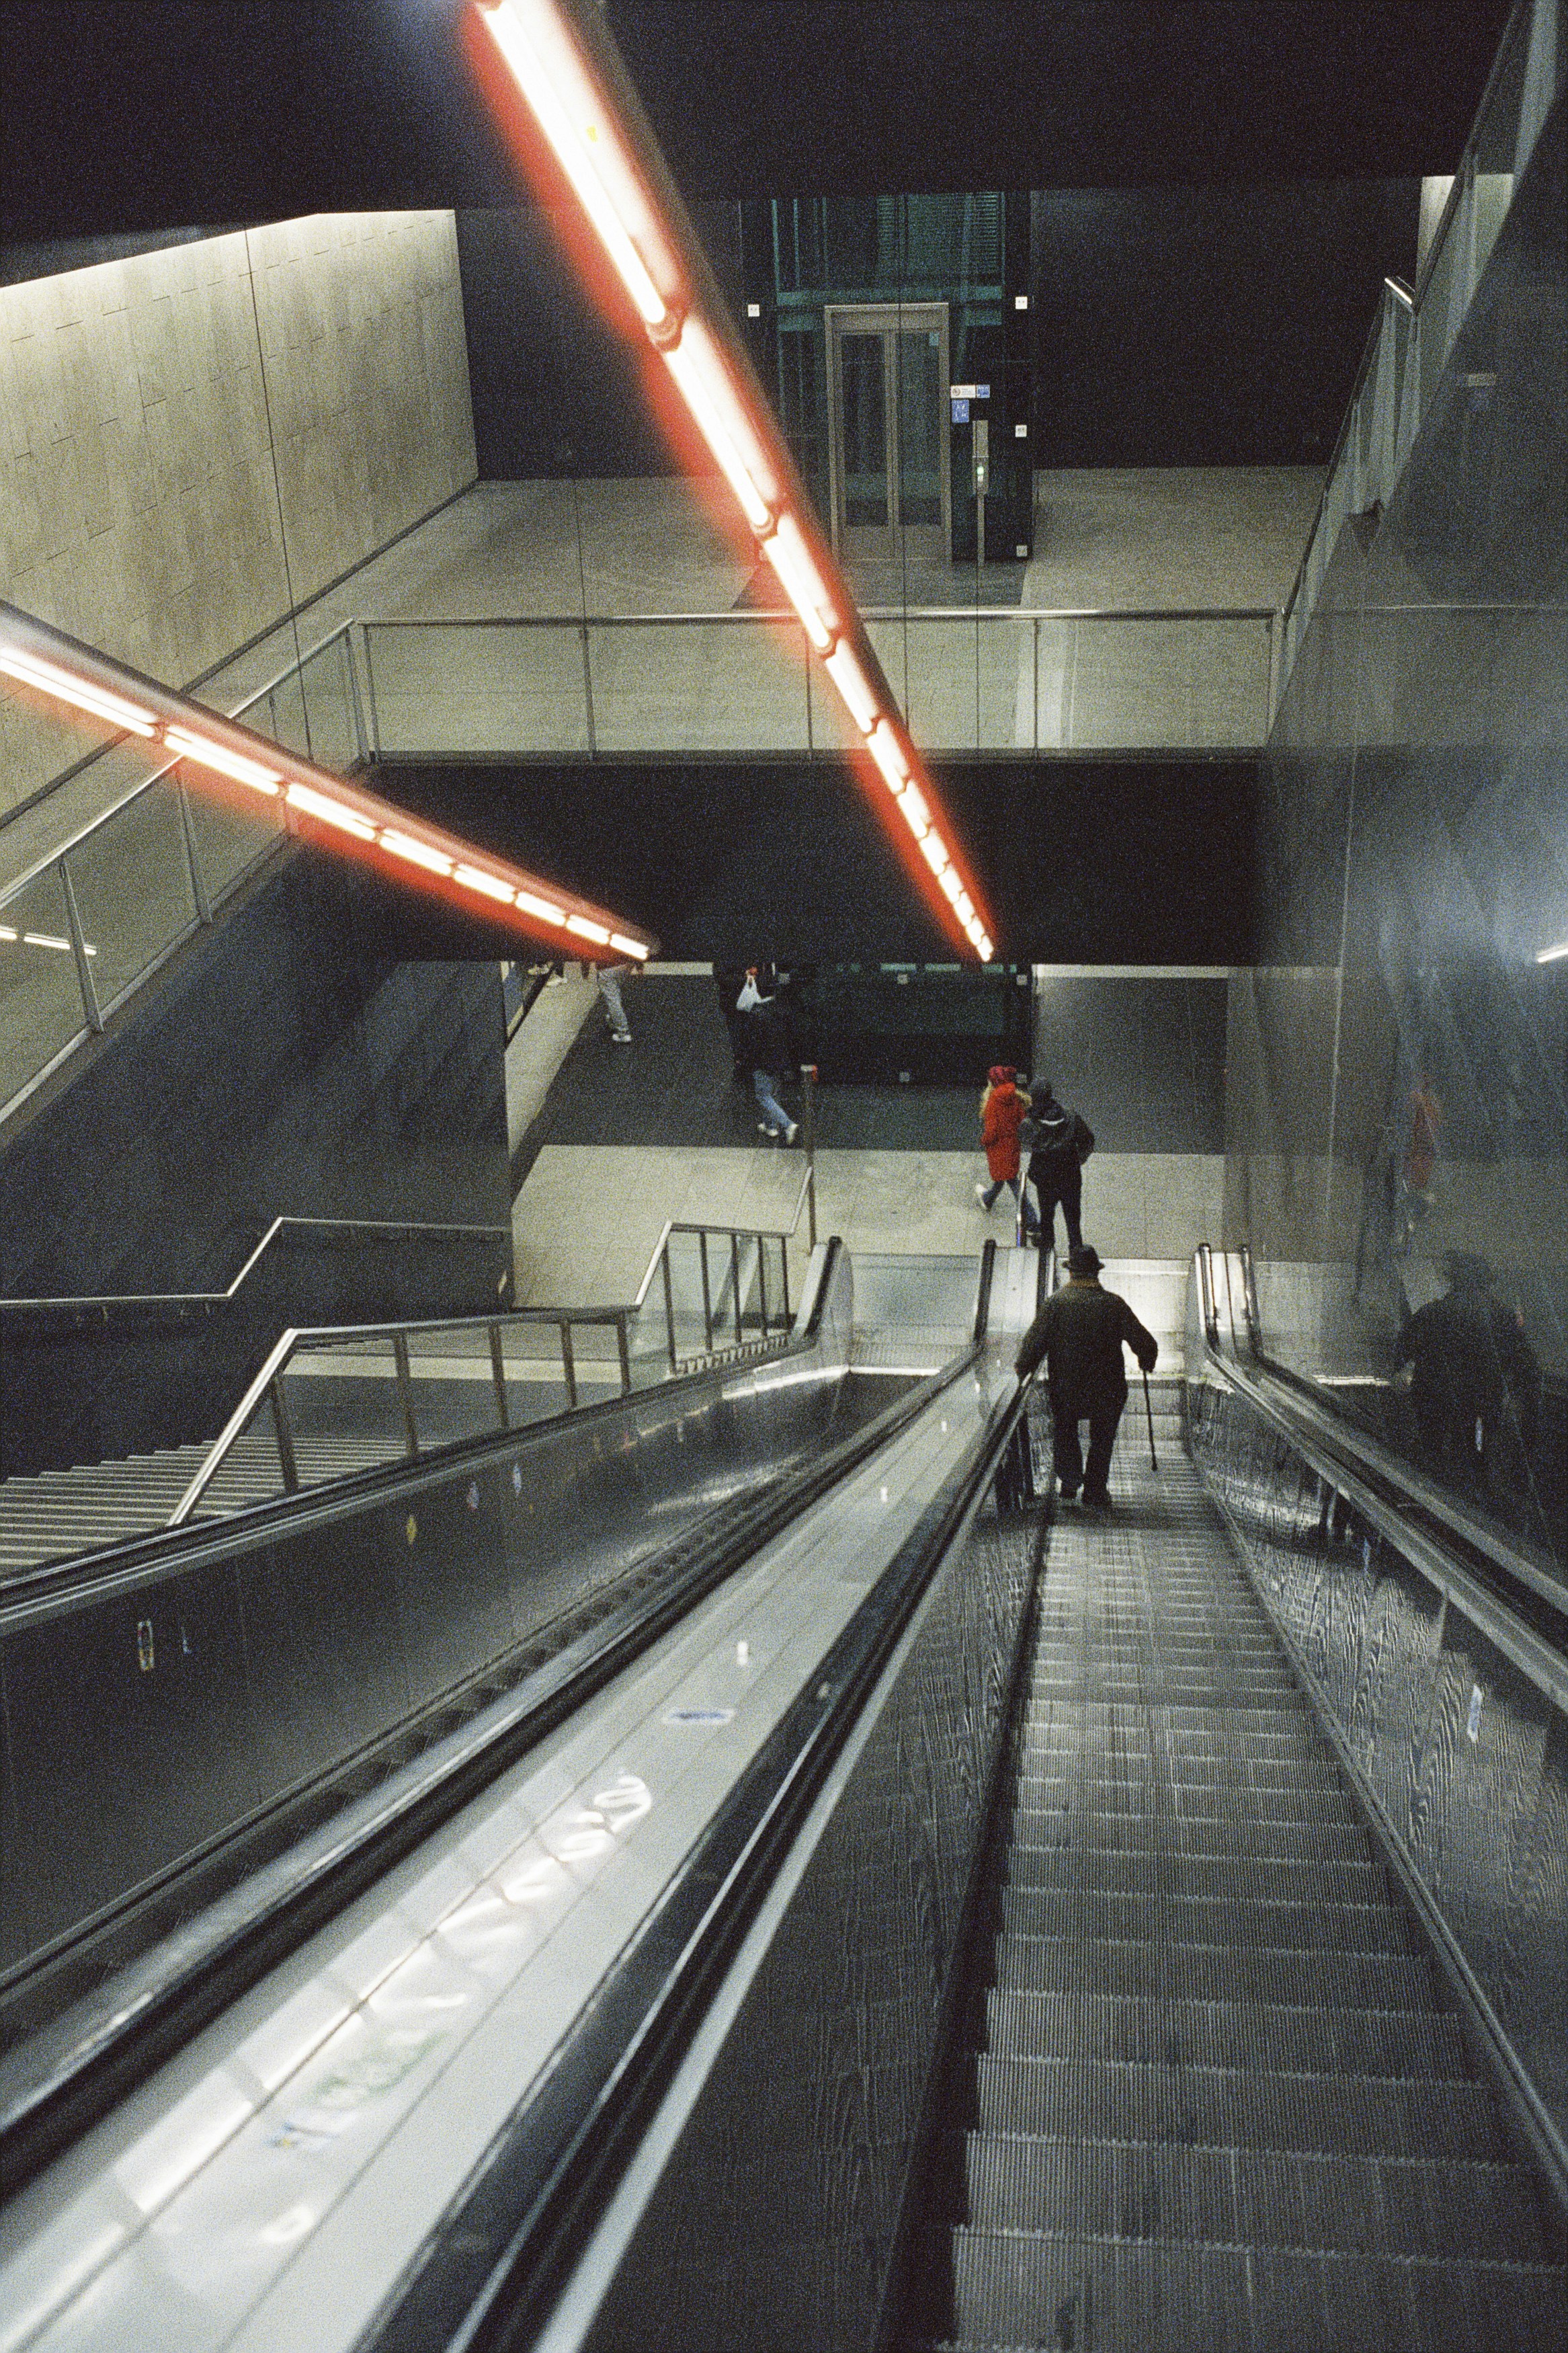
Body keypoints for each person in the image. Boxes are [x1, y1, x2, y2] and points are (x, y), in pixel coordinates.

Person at [1015, 1243, 1158, 1510]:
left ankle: (1069, 1481)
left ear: (1071, 1273)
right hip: (1108, 1388)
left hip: (1067, 1387)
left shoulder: (1056, 1304)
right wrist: (1146, 1360)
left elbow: (1033, 1345)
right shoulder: (1114, 1304)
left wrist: (1023, 1369)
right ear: (1096, 1273)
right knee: (1102, 1438)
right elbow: (1145, 1342)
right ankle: (1095, 1490)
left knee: (1066, 1429)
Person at [1395, 1252, 1540, 1499]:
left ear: (1454, 1281)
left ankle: (1435, 1499)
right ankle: (1478, 1496)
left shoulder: (1433, 1313)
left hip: (1435, 1402)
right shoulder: (1502, 1318)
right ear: (1485, 1283)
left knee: (1436, 1459)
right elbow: (1524, 1366)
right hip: (1481, 1405)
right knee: (1475, 1458)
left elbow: (1401, 1352)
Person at [1025, 1080, 1093, 1254]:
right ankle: (1077, 1254)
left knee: (1047, 1219)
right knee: (1073, 1221)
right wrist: (1078, 1160)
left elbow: (1023, 1138)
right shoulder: (1071, 1118)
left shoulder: (1030, 1124)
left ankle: (1047, 1256)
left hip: (1046, 1181)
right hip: (1070, 1178)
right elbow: (1088, 1140)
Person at [738, 969, 798, 1143]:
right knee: (769, 1093)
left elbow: (752, 1042)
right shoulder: (779, 1009)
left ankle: (787, 1124)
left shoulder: (756, 1014)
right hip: (778, 1059)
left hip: (762, 1062)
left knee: (763, 1096)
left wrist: (745, 1059)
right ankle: (770, 1126)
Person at [975, 1066, 1037, 1230]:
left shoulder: (994, 1102)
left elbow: (992, 1131)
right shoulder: (1014, 1097)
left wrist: (984, 1141)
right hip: (1012, 1147)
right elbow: (1022, 1121)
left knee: (1012, 1182)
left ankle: (1032, 1222)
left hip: (998, 1148)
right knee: (1005, 1176)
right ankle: (988, 1199)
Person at [597, 959, 634, 1044]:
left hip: (607, 966)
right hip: (626, 964)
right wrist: (639, 964)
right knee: (615, 992)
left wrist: (585, 967)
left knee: (613, 999)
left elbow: (588, 948)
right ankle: (614, 1019)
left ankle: (623, 1033)